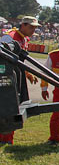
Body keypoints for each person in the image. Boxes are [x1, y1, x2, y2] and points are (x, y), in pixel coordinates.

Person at [0, 16, 40, 145]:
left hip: (15, 74)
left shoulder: (23, 38)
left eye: (35, 27)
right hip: (6, 76)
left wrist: (27, 73)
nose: (33, 30)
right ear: (23, 25)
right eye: (31, 27)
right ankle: (5, 138)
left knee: (15, 105)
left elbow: (20, 60)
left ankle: (7, 138)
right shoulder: (9, 37)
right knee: (8, 106)